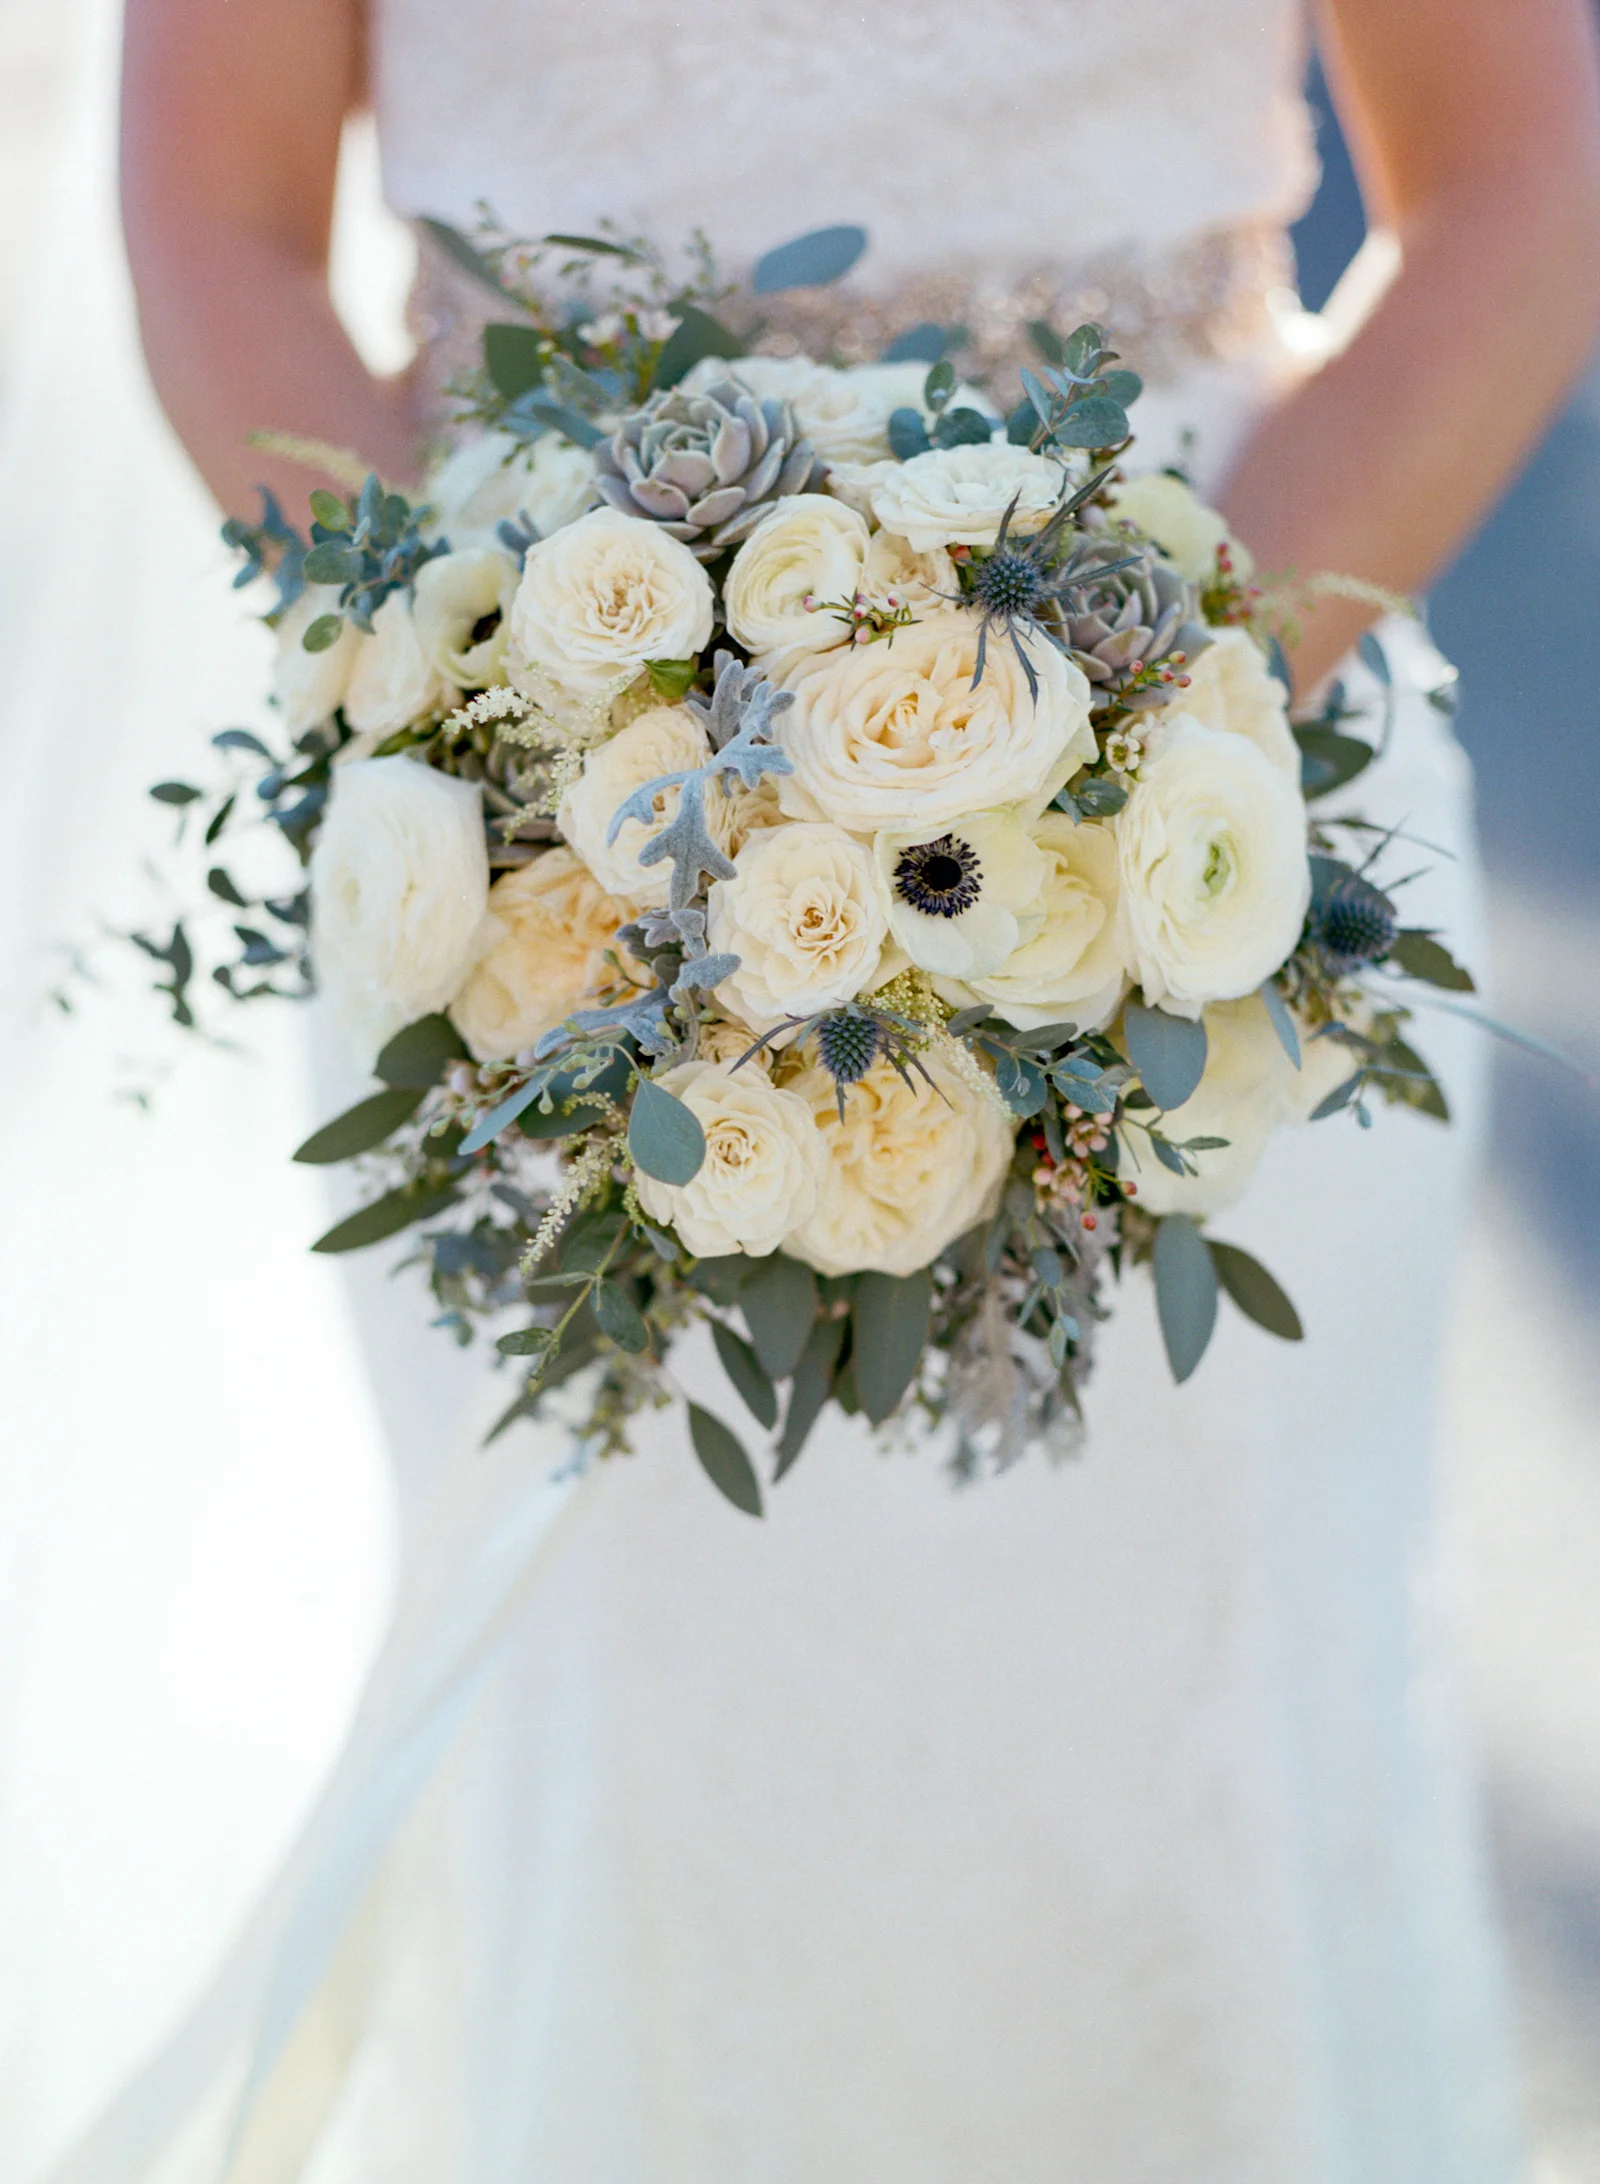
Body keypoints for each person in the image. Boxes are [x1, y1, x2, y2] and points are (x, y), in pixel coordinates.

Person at [45, 0, 1600, 2176]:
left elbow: (1513, 186)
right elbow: (218, 227)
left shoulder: (1187, 760)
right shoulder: (535, 821)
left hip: (1222, 808)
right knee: (634, 1759)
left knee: (1195, 1752)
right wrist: (518, 748)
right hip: (545, 901)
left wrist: (1140, 741)